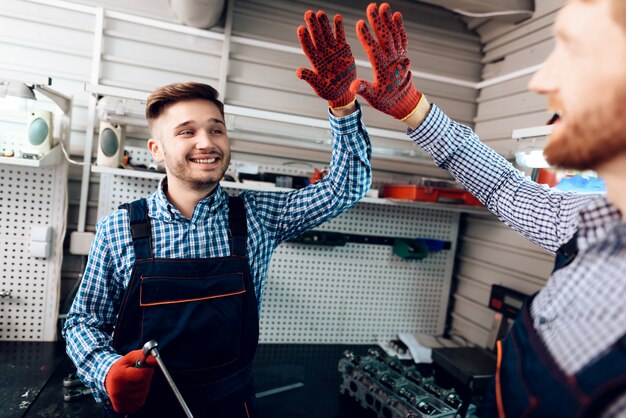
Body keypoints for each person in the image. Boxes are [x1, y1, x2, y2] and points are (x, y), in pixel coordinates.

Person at [62, 9, 372, 417]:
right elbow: (83, 323)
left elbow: (346, 187)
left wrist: (343, 107)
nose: (206, 141)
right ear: (156, 151)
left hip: (231, 404)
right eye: (187, 131)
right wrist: (106, 372)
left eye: (216, 128)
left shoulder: (259, 217)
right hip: (144, 407)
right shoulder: (119, 228)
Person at [347, 2, 626, 417]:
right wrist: (412, 108)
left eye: (579, 54)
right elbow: (502, 185)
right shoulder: (588, 225)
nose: (541, 80)